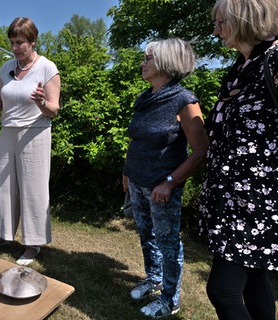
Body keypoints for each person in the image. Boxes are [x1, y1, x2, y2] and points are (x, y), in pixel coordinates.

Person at [199, 0, 278, 318]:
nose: (215, 29)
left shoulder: (275, 59)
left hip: (257, 200)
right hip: (231, 197)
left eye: (221, 22)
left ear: (245, 19)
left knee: (222, 289)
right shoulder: (241, 68)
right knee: (254, 282)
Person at [122, 38, 208, 318]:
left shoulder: (184, 100)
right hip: (137, 180)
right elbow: (136, 139)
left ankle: (170, 299)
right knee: (146, 234)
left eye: (148, 58)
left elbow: (201, 151)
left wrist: (170, 182)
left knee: (168, 242)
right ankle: (154, 278)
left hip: (162, 186)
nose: (142, 63)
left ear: (166, 63)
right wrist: (127, 171)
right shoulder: (146, 97)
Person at [0, 17, 60, 266]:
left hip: (35, 133)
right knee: (3, 187)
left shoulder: (47, 68)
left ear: (32, 41)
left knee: (33, 191)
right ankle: (3, 235)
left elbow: (54, 109)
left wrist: (42, 103)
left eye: (20, 42)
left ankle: (33, 245)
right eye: (12, 42)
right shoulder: (6, 67)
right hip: (8, 132)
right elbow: (0, 101)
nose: (15, 47)